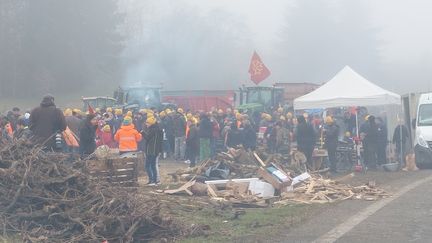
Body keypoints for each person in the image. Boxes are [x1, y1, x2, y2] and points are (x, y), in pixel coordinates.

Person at [142, 116, 163, 185]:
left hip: (151, 150)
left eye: (147, 123)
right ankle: (155, 180)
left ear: (151, 123)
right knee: (153, 165)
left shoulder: (152, 130)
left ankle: (152, 180)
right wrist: (160, 150)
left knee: (148, 165)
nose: (146, 124)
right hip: (156, 150)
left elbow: (148, 138)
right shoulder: (158, 129)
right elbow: (160, 141)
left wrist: (143, 133)